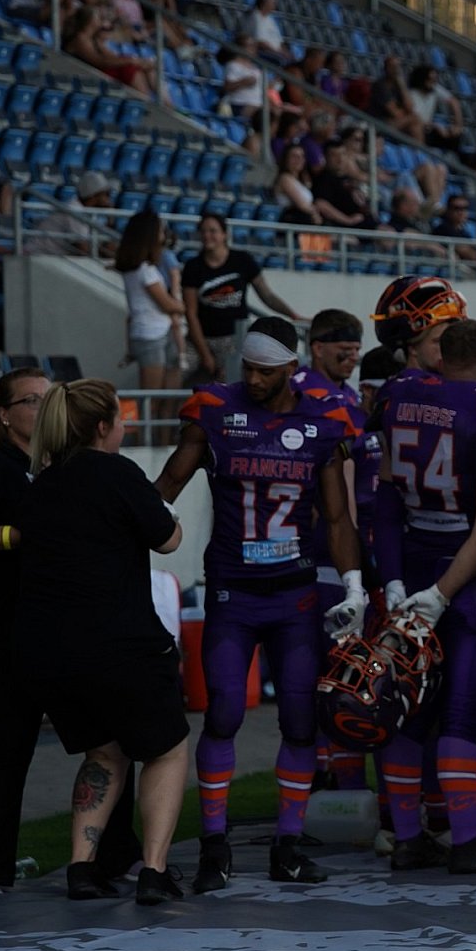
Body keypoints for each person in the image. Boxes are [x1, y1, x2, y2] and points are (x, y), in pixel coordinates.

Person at [154, 317, 367, 892]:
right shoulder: (215, 410)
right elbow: (166, 487)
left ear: (292, 369)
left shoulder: (323, 419)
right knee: (223, 711)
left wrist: (354, 586)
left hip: (295, 592)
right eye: (247, 368)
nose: (252, 379)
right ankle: (214, 844)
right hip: (234, 589)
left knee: (299, 721)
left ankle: (288, 846)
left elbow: (338, 517)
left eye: (265, 371)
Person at [0, 368, 145, 896]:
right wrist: (17, 535)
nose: (45, 407)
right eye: (31, 400)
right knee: (10, 744)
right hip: (7, 632)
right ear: (4, 416)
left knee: (110, 742)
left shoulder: (76, 467)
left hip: (75, 633)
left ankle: (116, 856)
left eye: (51, 399)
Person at [14, 378, 189, 905]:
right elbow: (167, 538)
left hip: (54, 651)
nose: (125, 428)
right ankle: (153, 871)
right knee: (166, 748)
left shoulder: (42, 483)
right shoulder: (117, 472)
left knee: (104, 751)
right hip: (123, 642)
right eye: (121, 419)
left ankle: (81, 868)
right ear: (102, 426)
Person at [372, 315, 476, 873]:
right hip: (471, 577)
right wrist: (445, 592)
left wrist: (393, 579)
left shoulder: (398, 398)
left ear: (440, 359)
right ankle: (466, 840)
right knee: (463, 713)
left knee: (410, 711)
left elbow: (385, 503)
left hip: (414, 563)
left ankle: (407, 836)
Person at [180, 213, 300, 383]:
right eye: (203, 231)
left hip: (233, 338)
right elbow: (190, 313)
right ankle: (159, 401)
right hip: (200, 337)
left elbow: (267, 296)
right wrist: (205, 354)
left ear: (224, 234)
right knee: (177, 367)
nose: (207, 235)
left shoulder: (242, 260)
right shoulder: (193, 266)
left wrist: (293, 315)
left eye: (213, 231)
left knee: (231, 377)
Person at [115, 210, 185, 402]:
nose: (163, 234)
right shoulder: (145, 270)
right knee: (151, 400)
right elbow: (167, 304)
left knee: (162, 398)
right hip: (150, 336)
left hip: (157, 331)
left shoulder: (138, 268)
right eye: (160, 230)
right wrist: (182, 307)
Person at [63, 6, 161, 102]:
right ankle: (145, 101)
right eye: (98, 17)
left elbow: (111, 57)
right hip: (89, 73)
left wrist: (137, 61)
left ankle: (164, 102)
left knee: (140, 66)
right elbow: (98, 62)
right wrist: (130, 61)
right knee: (128, 68)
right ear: (89, 20)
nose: (100, 21)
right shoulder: (81, 38)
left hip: (100, 71)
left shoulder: (94, 38)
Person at [26, 170, 116, 257]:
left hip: (51, 259)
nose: (109, 199)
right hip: (37, 256)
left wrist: (110, 220)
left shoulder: (89, 212)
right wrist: (105, 253)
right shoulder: (74, 210)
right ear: (93, 195)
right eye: (106, 194)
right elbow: (82, 250)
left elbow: (108, 245)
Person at [405, 64, 463, 151]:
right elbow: (417, 119)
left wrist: (457, 126)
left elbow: (454, 102)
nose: (433, 83)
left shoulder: (434, 88)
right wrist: (436, 127)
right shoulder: (412, 94)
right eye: (430, 79)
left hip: (430, 128)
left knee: (454, 136)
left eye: (434, 80)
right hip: (419, 130)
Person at [239, 0, 291, 65]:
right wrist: (278, 52)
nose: (275, 4)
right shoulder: (254, 17)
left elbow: (280, 42)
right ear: (265, 3)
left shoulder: (270, 18)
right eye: (272, 2)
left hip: (274, 52)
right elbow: (260, 43)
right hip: (260, 51)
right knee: (281, 61)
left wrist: (286, 53)